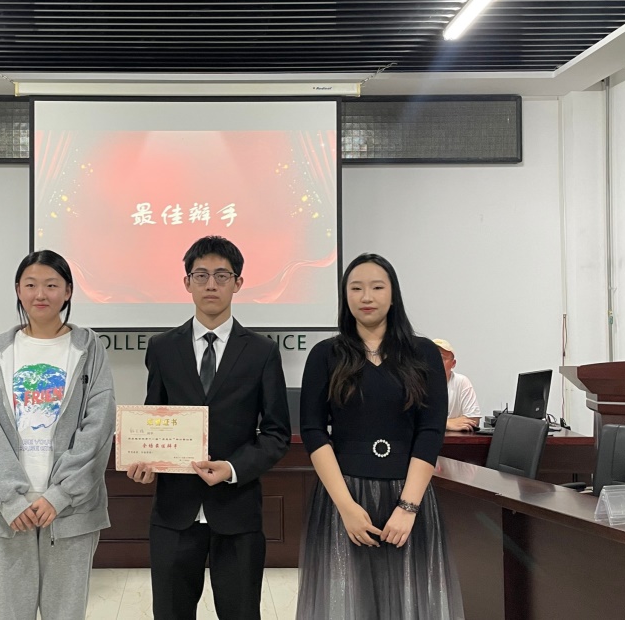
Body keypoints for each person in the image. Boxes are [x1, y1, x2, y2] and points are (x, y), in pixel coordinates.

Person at [126, 236, 291, 620]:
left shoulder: (262, 351)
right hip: (174, 512)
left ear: (238, 283)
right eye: (201, 275)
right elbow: (155, 417)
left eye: (221, 275)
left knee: (241, 613)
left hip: (237, 510)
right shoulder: (162, 348)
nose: (211, 284)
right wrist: (144, 461)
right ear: (187, 283)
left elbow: (276, 433)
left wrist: (232, 468)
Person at [297, 253, 464, 619]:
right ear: (345, 296)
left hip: (408, 495)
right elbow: (313, 431)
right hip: (344, 497)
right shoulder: (325, 355)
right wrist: (346, 507)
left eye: (377, 287)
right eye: (356, 288)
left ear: (393, 294)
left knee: (408, 603)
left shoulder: (423, 353)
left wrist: (408, 508)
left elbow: (431, 430)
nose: (366, 296)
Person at [0, 250, 116, 620]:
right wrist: (10, 500)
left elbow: (98, 428)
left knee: (66, 613)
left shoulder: (89, 349)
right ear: (18, 290)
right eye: (30, 285)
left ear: (68, 291)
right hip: (4, 512)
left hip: (70, 509)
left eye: (51, 285)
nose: (40, 294)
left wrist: (61, 494)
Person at [432, 338, 482, 431]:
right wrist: (446, 423)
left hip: (454, 438)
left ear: (453, 363)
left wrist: (435, 423)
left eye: (442, 358)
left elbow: (473, 420)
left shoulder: (461, 381)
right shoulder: (416, 382)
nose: (435, 362)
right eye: (432, 358)